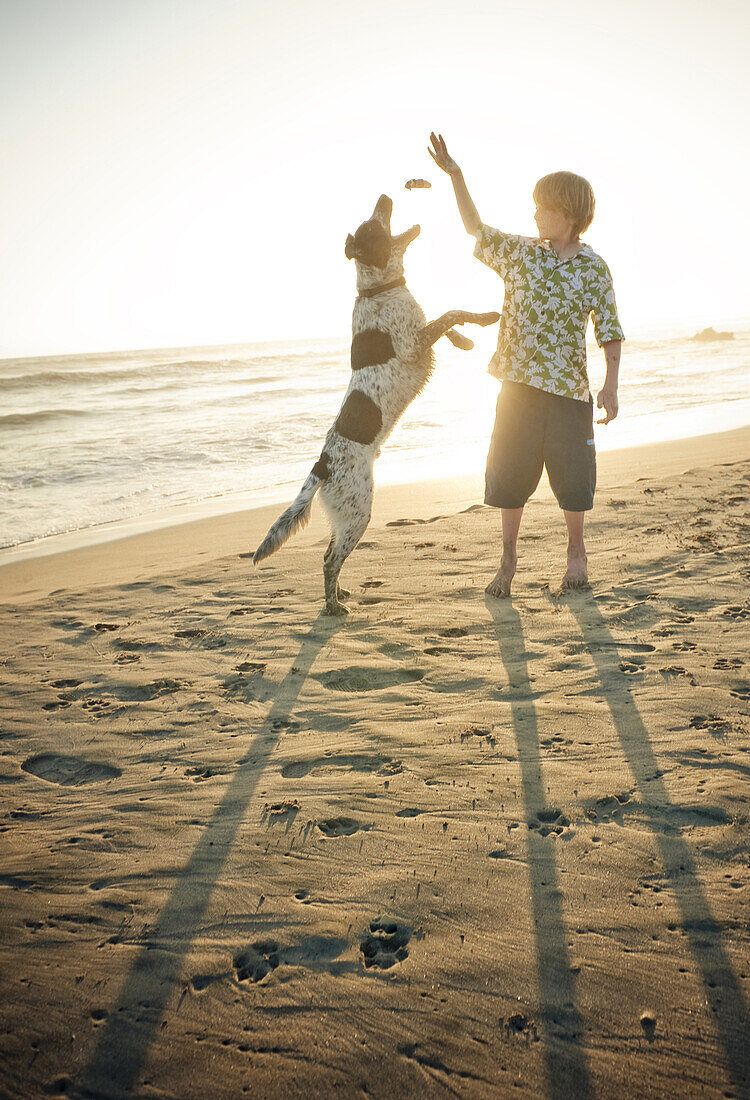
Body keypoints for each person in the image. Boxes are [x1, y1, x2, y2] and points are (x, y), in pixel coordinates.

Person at [428, 132, 624, 595]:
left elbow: (609, 330)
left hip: (569, 393)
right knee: (509, 478)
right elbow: (476, 228)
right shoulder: (521, 253)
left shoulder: (594, 267)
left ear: (568, 212)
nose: (534, 213)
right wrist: (456, 176)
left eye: (542, 206)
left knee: (574, 481)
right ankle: (508, 557)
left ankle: (576, 553)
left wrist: (611, 385)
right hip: (516, 387)